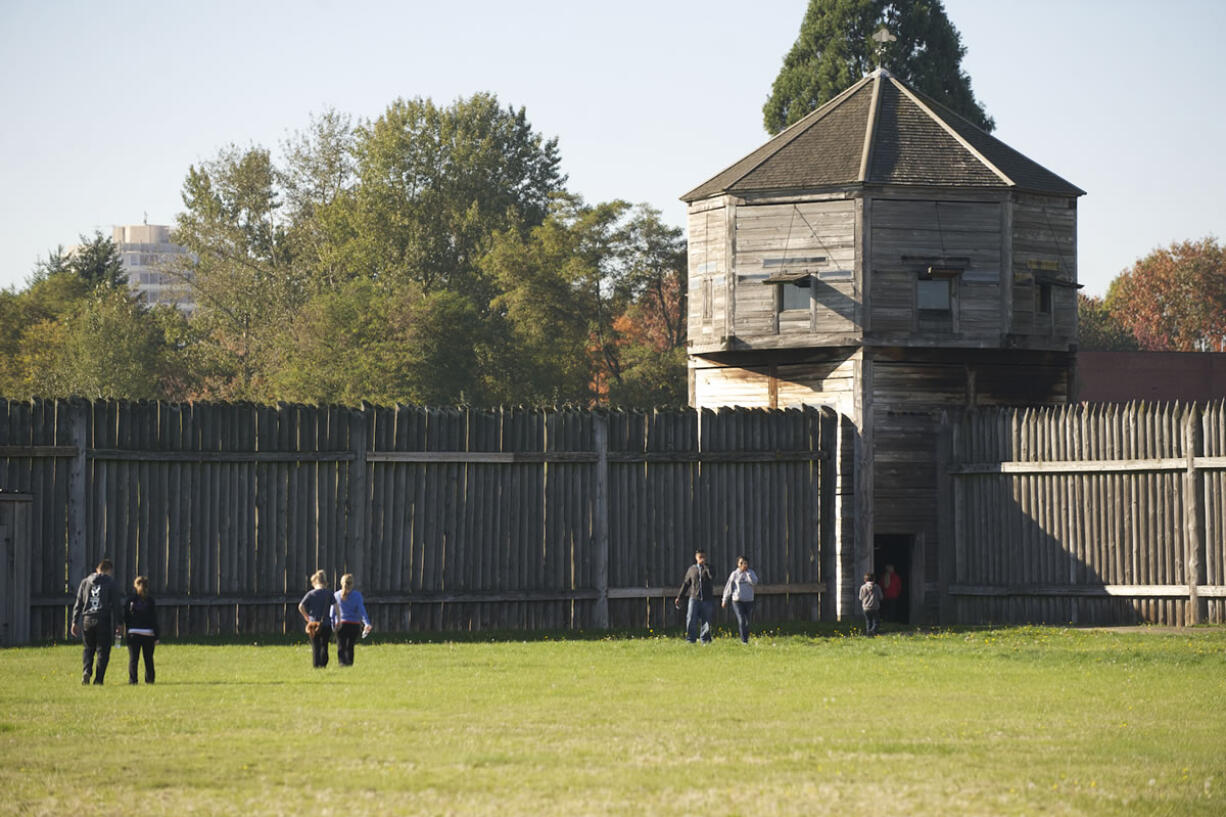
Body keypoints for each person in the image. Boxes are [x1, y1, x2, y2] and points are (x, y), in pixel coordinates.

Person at [70, 558, 124, 685]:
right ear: (109, 570)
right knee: (103, 650)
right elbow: (116, 605)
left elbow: (79, 602)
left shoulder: (85, 582)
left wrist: (74, 621)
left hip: (87, 619)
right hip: (102, 619)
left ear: (97, 569)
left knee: (88, 648)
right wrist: (119, 623)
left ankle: (87, 670)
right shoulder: (110, 583)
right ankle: (99, 679)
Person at [122, 576, 159, 685]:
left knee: (133, 659)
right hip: (148, 633)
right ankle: (150, 679)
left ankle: (133, 680)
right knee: (148, 659)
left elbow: (126, 617)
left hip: (133, 633)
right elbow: (154, 619)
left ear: (135, 585)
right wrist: (156, 636)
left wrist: (127, 631)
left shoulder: (130, 600)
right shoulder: (150, 601)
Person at [673, 549, 715, 644]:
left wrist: (706, 567)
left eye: (703, 557)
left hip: (707, 599)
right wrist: (679, 597)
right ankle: (691, 639)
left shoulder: (710, 568)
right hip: (694, 598)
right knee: (691, 618)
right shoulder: (692, 569)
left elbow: (712, 577)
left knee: (706, 620)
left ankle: (705, 639)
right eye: (700, 557)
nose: (702, 559)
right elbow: (686, 583)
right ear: (696, 558)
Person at [331, 573, 373, 667]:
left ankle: (342, 662)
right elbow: (362, 611)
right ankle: (349, 663)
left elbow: (332, 613)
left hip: (341, 624)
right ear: (352, 584)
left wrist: (333, 625)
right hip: (354, 624)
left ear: (341, 583)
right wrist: (367, 623)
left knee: (341, 645)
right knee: (350, 645)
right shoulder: (357, 596)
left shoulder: (336, 595)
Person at [298, 570, 335, 668]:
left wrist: (307, 617)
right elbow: (336, 607)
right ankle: (323, 664)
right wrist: (338, 619)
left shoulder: (311, 594)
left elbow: (301, 606)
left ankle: (316, 664)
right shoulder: (329, 593)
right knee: (324, 645)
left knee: (316, 646)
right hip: (326, 624)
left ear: (315, 582)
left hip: (313, 624)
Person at [721, 555, 759, 644]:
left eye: (745, 563)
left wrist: (748, 574)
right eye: (741, 563)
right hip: (737, 601)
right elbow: (728, 588)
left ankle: (746, 638)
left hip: (749, 600)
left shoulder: (751, 573)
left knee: (747, 622)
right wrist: (724, 600)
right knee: (741, 620)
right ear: (738, 564)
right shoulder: (734, 574)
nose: (743, 565)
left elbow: (755, 582)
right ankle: (744, 641)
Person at [859, 572, 883, 636]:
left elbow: (860, 597)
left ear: (865, 580)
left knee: (868, 621)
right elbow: (881, 597)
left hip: (866, 608)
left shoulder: (863, 587)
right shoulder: (877, 587)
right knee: (876, 621)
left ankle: (868, 634)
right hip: (875, 607)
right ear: (874, 579)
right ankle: (873, 631)